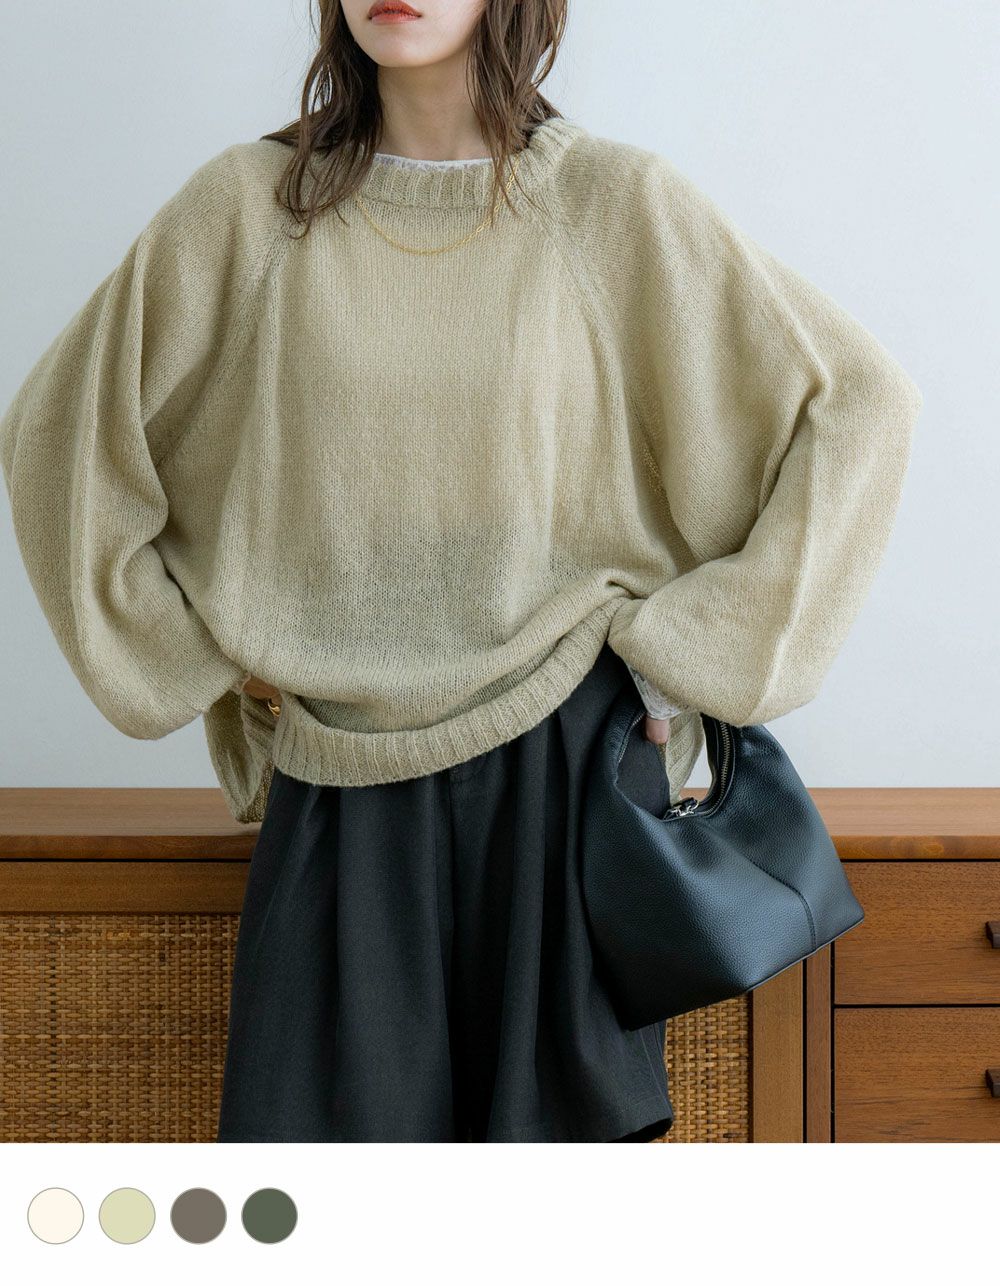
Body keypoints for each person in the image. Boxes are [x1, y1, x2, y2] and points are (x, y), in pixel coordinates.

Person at [0, 0, 922, 1143]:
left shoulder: (609, 204)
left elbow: (858, 405)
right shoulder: (247, 211)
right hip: (338, 786)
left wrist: (687, 656)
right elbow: (57, 441)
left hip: (564, 778)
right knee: (325, 1205)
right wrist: (202, 661)